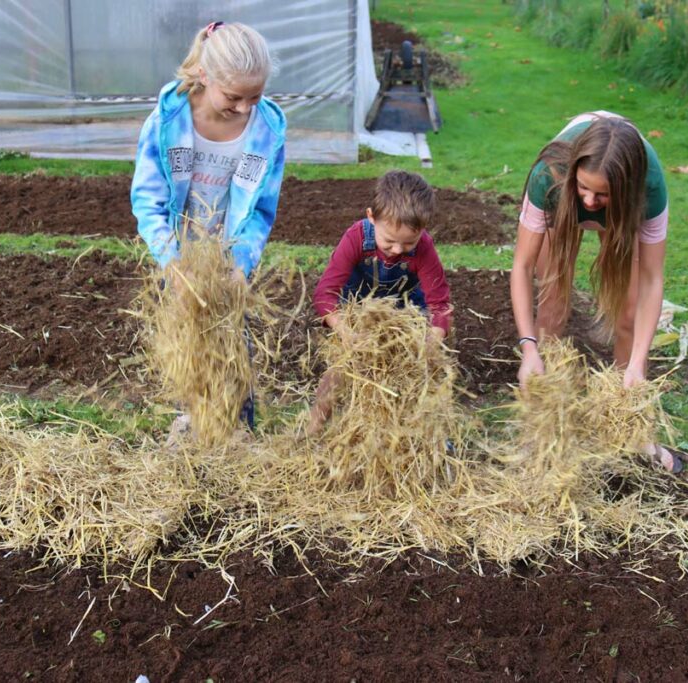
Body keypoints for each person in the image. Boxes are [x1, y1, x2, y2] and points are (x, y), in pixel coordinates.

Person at [131, 20, 286, 439]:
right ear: (204, 75)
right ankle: (193, 428)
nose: (244, 107)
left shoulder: (266, 132)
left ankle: (240, 433)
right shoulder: (167, 123)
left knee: (234, 347)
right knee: (190, 347)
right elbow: (148, 201)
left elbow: (260, 211)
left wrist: (240, 267)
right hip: (181, 262)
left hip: (226, 261)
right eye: (233, 97)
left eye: (255, 96)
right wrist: (173, 264)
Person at [509, 111, 682, 472]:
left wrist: (638, 362)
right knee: (553, 304)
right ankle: (542, 424)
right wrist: (528, 348)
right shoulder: (550, 175)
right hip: (561, 200)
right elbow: (523, 267)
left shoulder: (649, 188)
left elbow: (652, 278)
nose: (588, 200)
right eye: (583, 188)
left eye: (600, 194)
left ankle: (632, 425)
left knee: (628, 313)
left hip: (623, 211)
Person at [308, 170, 452, 433]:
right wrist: (346, 332)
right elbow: (325, 294)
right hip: (359, 309)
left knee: (416, 375)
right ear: (371, 217)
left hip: (403, 312)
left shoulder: (425, 248)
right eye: (389, 241)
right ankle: (313, 427)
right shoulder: (356, 238)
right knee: (341, 368)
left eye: (409, 243)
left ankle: (421, 435)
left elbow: (440, 304)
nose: (397, 250)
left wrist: (429, 341)